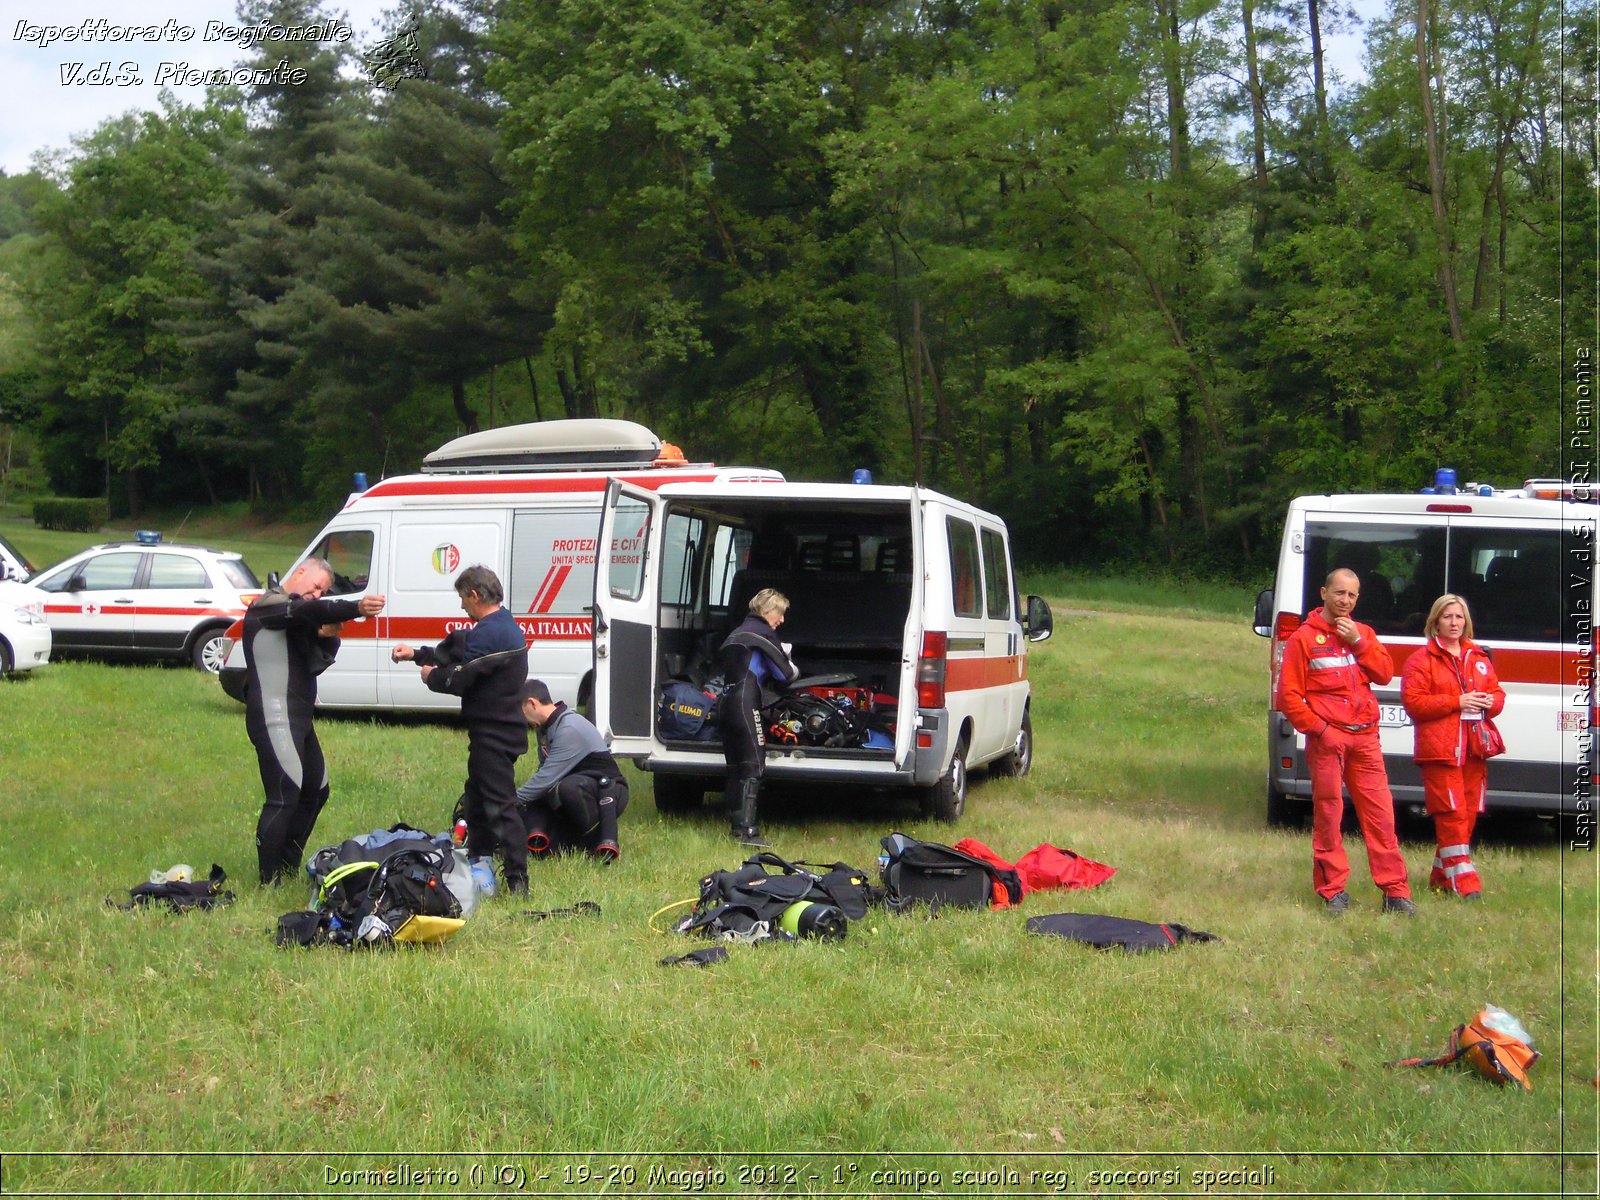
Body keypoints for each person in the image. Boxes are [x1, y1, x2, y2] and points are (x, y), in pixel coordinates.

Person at [1275, 568, 1417, 916]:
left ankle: (1395, 892)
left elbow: (1384, 673)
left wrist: (1359, 641)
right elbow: (1288, 697)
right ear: (1324, 592)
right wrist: (1320, 731)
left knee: (1381, 816)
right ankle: (1332, 890)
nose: (1346, 601)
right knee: (1329, 814)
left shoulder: (1361, 632)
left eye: (1352, 595)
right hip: (1328, 740)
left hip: (1365, 738)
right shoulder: (1303, 640)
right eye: (1340, 593)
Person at [243, 557, 385, 885]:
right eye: (316, 586)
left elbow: (316, 659)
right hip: (272, 713)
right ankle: (268, 880)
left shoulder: (300, 617)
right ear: (301, 572)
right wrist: (355, 608)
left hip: (299, 717)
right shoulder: (271, 605)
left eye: (322, 591)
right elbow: (305, 612)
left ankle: (287, 865)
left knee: (316, 792)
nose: (316, 594)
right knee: (284, 793)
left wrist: (328, 632)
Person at [392, 565, 530, 895]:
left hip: (495, 733)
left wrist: (431, 677)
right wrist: (416, 654)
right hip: (493, 731)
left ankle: (517, 881)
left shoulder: (492, 633)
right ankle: (479, 857)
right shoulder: (498, 625)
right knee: (478, 798)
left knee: (500, 805)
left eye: (462, 599)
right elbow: (457, 650)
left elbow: (461, 676)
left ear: (475, 595)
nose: (461, 607)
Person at [1400, 594, 1505, 899]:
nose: (1454, 623)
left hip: (1475, 749)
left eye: (1459, 617)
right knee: (1452, 813)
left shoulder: (1479, 657)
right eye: (1447, 617)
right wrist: (1456, 702)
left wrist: (1490, 702)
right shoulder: (1421, 661)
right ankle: (1465, 884)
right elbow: (1414, 704)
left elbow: (1497, 694)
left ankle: (1441, 877)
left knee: (1469, 812)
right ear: (1435, 622)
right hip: (1440, 751)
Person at [716, 587, 800, 847]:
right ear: (767, 610)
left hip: (725, 703)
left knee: (734, 766)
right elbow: (786, 675)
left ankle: (735, 827)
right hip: (745, 702)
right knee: (753, 764)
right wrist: (788, 657)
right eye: (780, 613)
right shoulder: (763, 633)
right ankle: (748, 832)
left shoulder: (736, 633)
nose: (782, 620)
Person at [515, 679, 628, 861]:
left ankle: (592, 839)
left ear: (532, 703)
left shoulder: (569, 727)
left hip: (608, 791)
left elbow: (546, 779)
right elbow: (543, 773)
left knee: (565, 787)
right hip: (579, 790)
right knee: (547, 840)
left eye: (522, 711)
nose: (523, 719)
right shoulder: (545, 728)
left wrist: (508, 801)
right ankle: (560, 838)